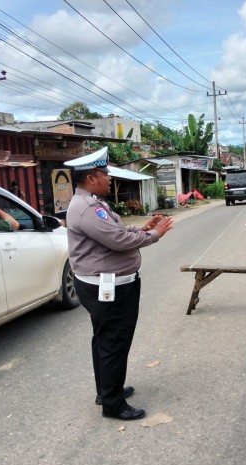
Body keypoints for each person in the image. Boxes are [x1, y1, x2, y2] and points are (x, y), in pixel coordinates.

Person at [65, 147, 174, 420]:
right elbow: (118, 241)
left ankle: (107, 389)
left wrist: (144, 228)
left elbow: (118, 231)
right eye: (106, 174)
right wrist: (154, 236)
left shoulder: (93, 202)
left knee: (106, 339)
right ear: (91, 178)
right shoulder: (88, 207)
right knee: (114, 340)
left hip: (109, 283)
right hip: (108, 286)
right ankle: (113, 404)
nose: (110, 178)